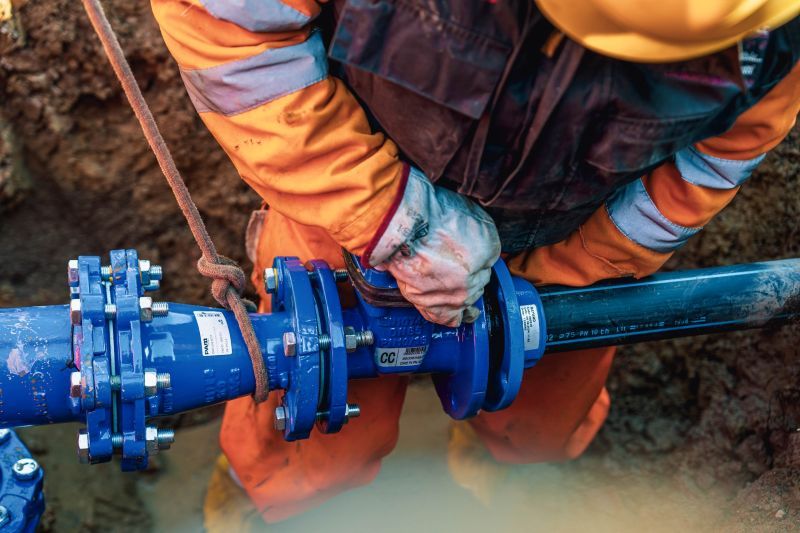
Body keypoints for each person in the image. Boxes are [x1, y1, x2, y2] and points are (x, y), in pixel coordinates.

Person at [150, 0, 800, 528]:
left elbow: (722, 152)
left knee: (543, 426)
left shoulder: (777, 34)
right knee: (310, 438)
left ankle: (509, 499)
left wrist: (583, 264)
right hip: (349, 204)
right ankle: (266, 507)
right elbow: (225, 26)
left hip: (578, 241)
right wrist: (390, 219)